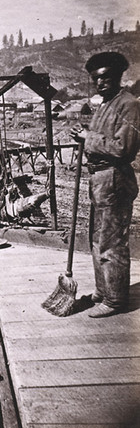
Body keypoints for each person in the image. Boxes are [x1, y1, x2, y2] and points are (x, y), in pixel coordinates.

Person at [71, 51, 140, 318]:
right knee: (97, 239)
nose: (100, 83)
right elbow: (98, 140)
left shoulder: (129, 104)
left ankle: (115, 300)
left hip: (115, 178)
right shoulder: (104, 104)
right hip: (99, 179)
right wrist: (83, 137)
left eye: (105, 77)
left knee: (111, 241)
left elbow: (124, 148)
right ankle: (103, 291)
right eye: (95, 79)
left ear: (118, 76)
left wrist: (89, 137)